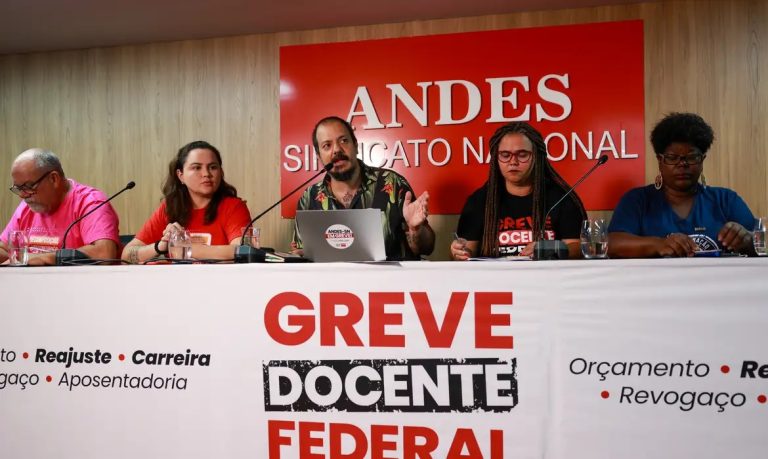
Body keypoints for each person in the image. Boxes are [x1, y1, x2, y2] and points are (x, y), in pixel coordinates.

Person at [608, 112, 755, 257]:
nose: (682, 164)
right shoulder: (637, 200)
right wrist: (658, 244)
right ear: (660, 161)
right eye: (672, 158)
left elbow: (760, 240)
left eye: (691, 157)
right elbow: (612, 244)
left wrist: (748, 240)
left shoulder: (726, 200)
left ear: (702, 160)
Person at [292, 116, 434, 260]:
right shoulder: (309, 197)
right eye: (327, 145)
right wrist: (299, 256)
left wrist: (416, 230)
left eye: (343, 141)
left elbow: (427, 248)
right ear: (319, 156)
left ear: (355, 145)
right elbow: (301, 252)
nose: (336, 150)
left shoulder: (393, 184)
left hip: (390, 281)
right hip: (333, 282)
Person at [451, 122, 586, 260]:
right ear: (496, 158)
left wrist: (550, 248)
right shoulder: (479, 201)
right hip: (494, 280)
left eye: (522, 155)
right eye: (505, 155)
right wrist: (459, 253)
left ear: (536, 157)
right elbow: (467, 252)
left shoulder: (561, 198)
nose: (513, 161)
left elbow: (579, 248)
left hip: (548, 279)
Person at [122, 140, 251, 263]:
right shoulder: (169, 207)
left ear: (221, 172)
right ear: (180, 175)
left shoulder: (233, 207)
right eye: (196, 168)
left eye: (213, 167)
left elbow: (243, 252)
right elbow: (126, 256)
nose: (206, 174)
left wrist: (185, 249)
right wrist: (160, 246)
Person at [0, 148, 120, 265]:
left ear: (53, 179)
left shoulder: (91, 202)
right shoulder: (27, 206)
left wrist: (42, 258)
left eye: (28, 187)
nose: (22, 195)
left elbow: (104, 253)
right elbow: (4, 249)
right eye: (18, 189)